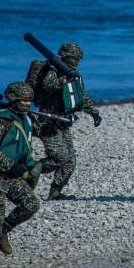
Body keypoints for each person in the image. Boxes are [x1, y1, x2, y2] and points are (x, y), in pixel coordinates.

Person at [0, 83, 41, 265]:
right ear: (14, 100)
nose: (28, 104)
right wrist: (11, 166)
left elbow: (38, 133)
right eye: (24, 101)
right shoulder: (0, 121)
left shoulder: (26, 119)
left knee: (31, 204)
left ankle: (4, 230)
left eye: (30, 101)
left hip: (13, 177)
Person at [37, 43, 102, 200]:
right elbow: (46, 86)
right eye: (74, 58)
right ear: (65, 56)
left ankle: (55, 192)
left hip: (63, 121)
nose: (76, 62)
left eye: (78, 59)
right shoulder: (52, 70)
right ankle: (24, 171)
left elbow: (81, 95)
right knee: (58, 157)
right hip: (48, 120)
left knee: (70, 161)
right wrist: (62, 81)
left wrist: (93, 112)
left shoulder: (74, 74)